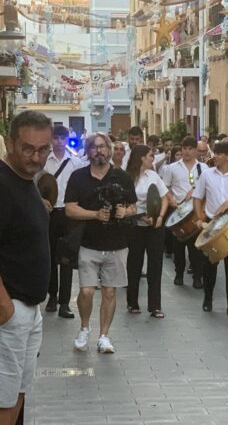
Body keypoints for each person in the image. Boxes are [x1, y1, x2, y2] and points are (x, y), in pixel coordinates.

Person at [0, 111, 52, 424]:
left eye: (43, 149)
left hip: (28, 309)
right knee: (4, 398)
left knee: (18, 392)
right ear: (10, 144)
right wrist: (4, 305)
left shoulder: (26, 181)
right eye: (28, 149)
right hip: (11, 310)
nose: (36, 157)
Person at [65, 133, 138, 354]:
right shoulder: (78, 177)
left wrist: (125, 211)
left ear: (110, 150)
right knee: (86, 291)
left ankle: (104, 336)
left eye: (104, 147)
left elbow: (134, 207)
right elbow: (70, 208)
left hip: (117, 244)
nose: (100, 151)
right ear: (88, 152)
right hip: (88, 243)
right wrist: (94, 214)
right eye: (95, 147)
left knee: (109, 292)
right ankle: (84, 328)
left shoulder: (122, 177)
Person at [192, 142, 228, 317]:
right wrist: (198, 217)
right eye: (215, 153)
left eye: (218, 154)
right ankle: (207, 300)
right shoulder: (207, 175)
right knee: (209, 265)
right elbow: (197, 197)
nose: (215, 156)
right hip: (212, 222)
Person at [43, 124, 83, 318]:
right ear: (51, 139)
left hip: (68, 215)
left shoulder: (75, 163)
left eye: (62, 138)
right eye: (56, 138)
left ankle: (64, 303)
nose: (59, 142)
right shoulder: (44, 162)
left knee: (66, 258)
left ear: (67, 139)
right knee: (50, 256)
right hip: (49, 214)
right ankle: (52, 295)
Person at [125, 145, 169, 318]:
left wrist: (160, 217)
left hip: (155, 227)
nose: (153, 158)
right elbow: (125, 203)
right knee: (134, 264)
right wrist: (141, 216)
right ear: (141, 158)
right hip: (135, 226)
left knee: (155, 266)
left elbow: (164, 197)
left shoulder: (153, 175)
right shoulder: (128, 177)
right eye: (151, 156)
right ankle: (132, 302)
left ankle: (155, 306)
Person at [162, 137, 208, 288]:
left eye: (190, 148)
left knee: (197, 248)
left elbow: (208, 188)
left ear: (195, 150)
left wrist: (195, 191)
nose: (187, 151)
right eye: (184, 148)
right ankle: (179, 273)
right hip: (178, 210)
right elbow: (165, 188)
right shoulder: (172, 168)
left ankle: (198, 276)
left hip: (196, 211)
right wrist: (172, 200)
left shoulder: (203, 168)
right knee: (179, 246)